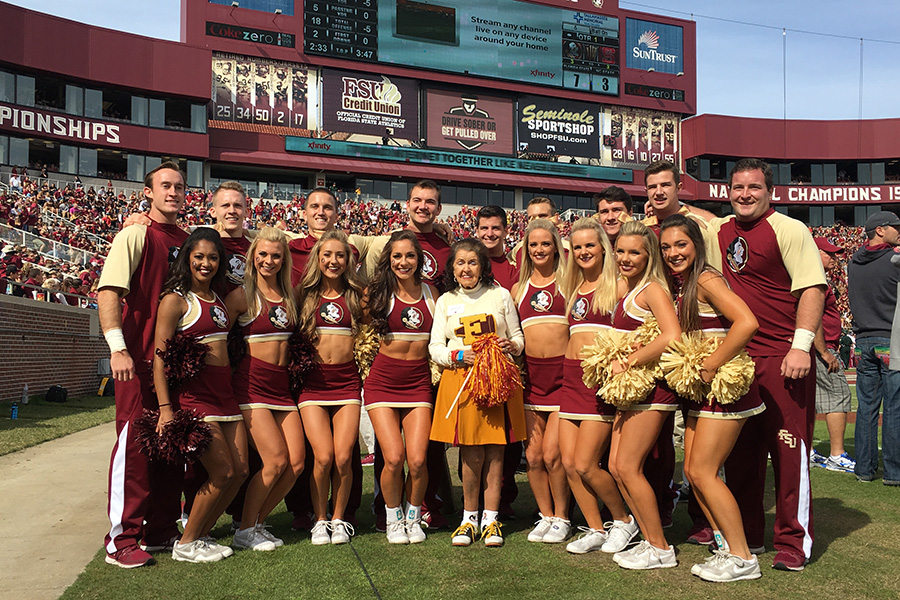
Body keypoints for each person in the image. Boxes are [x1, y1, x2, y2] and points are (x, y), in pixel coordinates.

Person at [706, 158, 826, 571]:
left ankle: (794, 541)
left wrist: (801, 346)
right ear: (728, 192)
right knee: (740, 452)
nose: (744, 194)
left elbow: (812, 288)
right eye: (737, 187)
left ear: (769, 191)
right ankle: (748, 535)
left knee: (789, 449)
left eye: (753, 187)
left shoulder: (790, 229)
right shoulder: (718, 232)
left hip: (781, 356)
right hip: (736, 358)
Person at [660, 214, 764, 582]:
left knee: (704, 471)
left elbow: (747, 322)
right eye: (667, 247)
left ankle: (743, 557)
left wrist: (710, 365)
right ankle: (725, 546)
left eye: (681, 244)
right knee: (692, 471)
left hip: (725, 387)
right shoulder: (681, 283)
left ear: (697, 245)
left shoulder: (705, 278)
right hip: (702, 392)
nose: (674, 252)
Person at [98, 161, 189, 568]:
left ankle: (163, 528)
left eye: (179, 186)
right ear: (148, 192)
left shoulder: (187, 241)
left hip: (174, 364)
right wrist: (117, 348)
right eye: (165, 185)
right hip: (138, 359)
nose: (173, 191)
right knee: (134, 448)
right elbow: (109, 291)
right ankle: (122, 539)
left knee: (169, 447)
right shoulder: (136, 233)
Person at [152, 228, 248, 563]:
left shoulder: (219, 299)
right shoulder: (176, 300)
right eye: (199, 257)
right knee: (221, 471)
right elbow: (159, 360)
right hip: (196, 400)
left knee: (240, 472)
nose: (205, 263)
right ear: (187, 259)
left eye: (212, 257)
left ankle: (202, 533)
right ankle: (186, 543)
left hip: (226, 398)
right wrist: (166, 409)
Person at [429, 238, 525, 547]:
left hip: (496, 380)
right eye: (460, 262)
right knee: (470, 452)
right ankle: (469, 518)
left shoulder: (500, 295)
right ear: (452, 268)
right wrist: (458, 356)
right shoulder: (445, 301)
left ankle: (491, 519)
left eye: (472, 262)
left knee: (496, 451)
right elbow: (436, 348)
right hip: (462, 382)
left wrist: (512, 346)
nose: (466, 268)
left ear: (483, 266)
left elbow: (518, 338)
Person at [556, 218, 638, 555]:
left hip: (596, 380)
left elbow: (639, 329)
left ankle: (623, 520)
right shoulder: (575, 288)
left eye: (590, 245)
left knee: (588, 462)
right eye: (577, 247)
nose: (583, 252)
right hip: (569, 377)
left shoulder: (619, 287)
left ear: (604, 248)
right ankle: (594, 527)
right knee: (569, 462)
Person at [606, 220, 682, 570]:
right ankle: (648, 539)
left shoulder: (653, 289)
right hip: (631, 390)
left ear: (649, 255)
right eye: (620, 250)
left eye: (634, 252)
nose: (625, 257)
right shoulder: (627, 287)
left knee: (628, 467)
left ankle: (661, 548)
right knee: (616, 466)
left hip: (653, 390)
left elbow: (672, 334)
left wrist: (631, 359)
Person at [226, 226, 304, 552]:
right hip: (251, 387)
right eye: (263, 254)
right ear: (252, 256)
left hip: (282, 389)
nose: (269, 260)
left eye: (276, 255)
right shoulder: (242, 295)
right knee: (274, 461)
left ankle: (258, 522)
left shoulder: (289, 295)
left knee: (296, 464)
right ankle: (244, 529)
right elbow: (215, 335)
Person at [365, 230, 437, 544]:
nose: (403, 262)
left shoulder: (433, 293)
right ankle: (393, 517)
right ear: (388, 259)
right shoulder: (376, 293)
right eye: (397, 256)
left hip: (419, 383)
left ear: (419, 259)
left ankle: (413, 514)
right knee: (393, 457)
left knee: (419, 460)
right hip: (382, 383)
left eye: (409, 256)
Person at [295, 230, 366, 545]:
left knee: (343, 457)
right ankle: (319, 519)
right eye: (327, 255)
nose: (333, 261)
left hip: (347, 384)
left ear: (348, 259)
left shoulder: (357, 294)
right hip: (313, 386)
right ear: (317, 258)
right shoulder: (303, 295)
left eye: (340, 255)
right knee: (322, 457)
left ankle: (339, 520)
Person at [511, 219, 571, 544]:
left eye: (545, 244)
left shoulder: (568, 282)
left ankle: (563, 516)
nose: (539, 250)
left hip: (563, 380)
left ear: (556, 247)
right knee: (533, 457)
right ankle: (545, 515)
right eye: (533, 245)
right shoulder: (517, 290)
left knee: (552, 454)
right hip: (532, 381)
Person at [848, 211, 900, 486]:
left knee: (866, 408)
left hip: (864, 339)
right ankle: (894, 473)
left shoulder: (854, 263)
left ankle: (864, 470)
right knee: (894, 407)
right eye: (894, 227)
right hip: (890, 339)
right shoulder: (894, 260)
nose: (898, 231)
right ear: (880, 230)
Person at [810, 237, 856, 473]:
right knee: (838, 396)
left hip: (814, 347)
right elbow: (813, 317)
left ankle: (806, 450)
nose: (834, 258)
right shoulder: (815, 279)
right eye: (829, 253)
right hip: (822, 346)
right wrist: (824, 351)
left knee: (807, 400)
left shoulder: (810, 277)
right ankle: (837, 455)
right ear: (815, 252)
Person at [641, 160, 716, 232]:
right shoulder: (640, 230)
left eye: (665, 185)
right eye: (652, 187)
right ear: (646, 191)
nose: (659, 192)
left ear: (679, 188)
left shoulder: (698, 227)